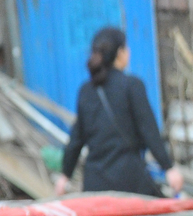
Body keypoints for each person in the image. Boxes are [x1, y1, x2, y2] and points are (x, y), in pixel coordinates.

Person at [57, 27, 183, 197]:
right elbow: (149, 131)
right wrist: (168, 168)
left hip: (95, 186)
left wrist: (65, 175)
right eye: (126, 48)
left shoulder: (86, 91)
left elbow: (76, 139)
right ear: (120, 53)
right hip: (129, 183)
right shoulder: (132, 85)